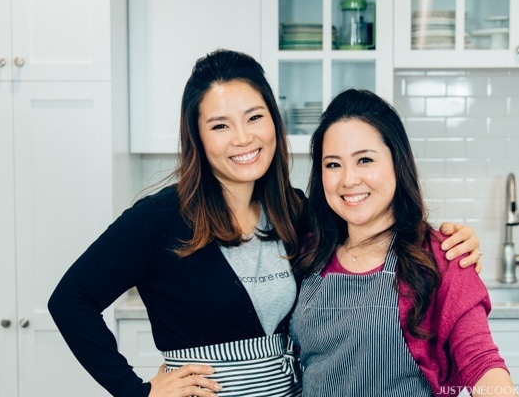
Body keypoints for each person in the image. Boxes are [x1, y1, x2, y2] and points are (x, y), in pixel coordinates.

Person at [48, 50, 482, 397]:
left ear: (274, 120)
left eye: (255, 117)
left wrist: (446, 240)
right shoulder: (161, 217)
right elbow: (70, 300)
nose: (243, 138)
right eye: (220, 125)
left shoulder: (294, 211)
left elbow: (367, 219)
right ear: (197, 137)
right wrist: (135, 391)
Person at [289, 88, 517, 397]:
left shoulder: (441, 256)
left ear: (397, 162)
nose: (348, 179)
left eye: (365, 160)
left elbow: (480, 362)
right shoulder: (308, 253)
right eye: (333, 164)